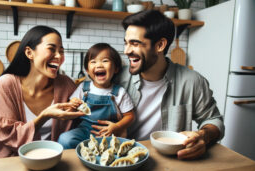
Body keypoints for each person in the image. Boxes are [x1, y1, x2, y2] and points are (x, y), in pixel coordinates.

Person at [93, 10, 225, 160]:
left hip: (170, 161)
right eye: (126, 43)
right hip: (121, 160)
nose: (126, 51)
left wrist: (203, 136)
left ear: (160, 45)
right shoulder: (116, 79)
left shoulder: (192, 81)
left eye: (134, 43)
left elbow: (214, 120)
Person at [0, 25, 85, 158]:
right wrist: (44, 116)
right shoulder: (7, 83)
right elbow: (8, 136)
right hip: (15, 161)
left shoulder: (66, 84)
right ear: (29, 53)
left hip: (54, 161)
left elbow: (82, 122)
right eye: (51, 49)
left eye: (61, 51)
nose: (59, 56)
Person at [58, 43, 135, 149]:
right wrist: (73, 103)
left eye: (105, 61)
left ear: (116, 68)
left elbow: (130, 116)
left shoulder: (119, 92)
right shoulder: (83, 88)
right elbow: (70, 107)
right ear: (87, 70)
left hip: (109, 133)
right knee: (65, 139)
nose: (99, 65)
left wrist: (117, 126)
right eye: (93, 61)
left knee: (116, 148)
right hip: (85, 131)